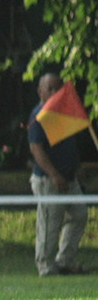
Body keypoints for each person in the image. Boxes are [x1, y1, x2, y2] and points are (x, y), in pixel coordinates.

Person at [27, 70, 88, 276]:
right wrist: (54, 174)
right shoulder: (38, 117)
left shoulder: (63, 112)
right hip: (48, 180)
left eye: (57, 88)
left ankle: (64, 261)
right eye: (49, 89)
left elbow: (69, 145)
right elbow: (36, 149)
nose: (54, 92)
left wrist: (74, 169)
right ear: (39, 91)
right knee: (49, 225)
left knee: (79, 215)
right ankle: (45, 266)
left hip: (69, 179)